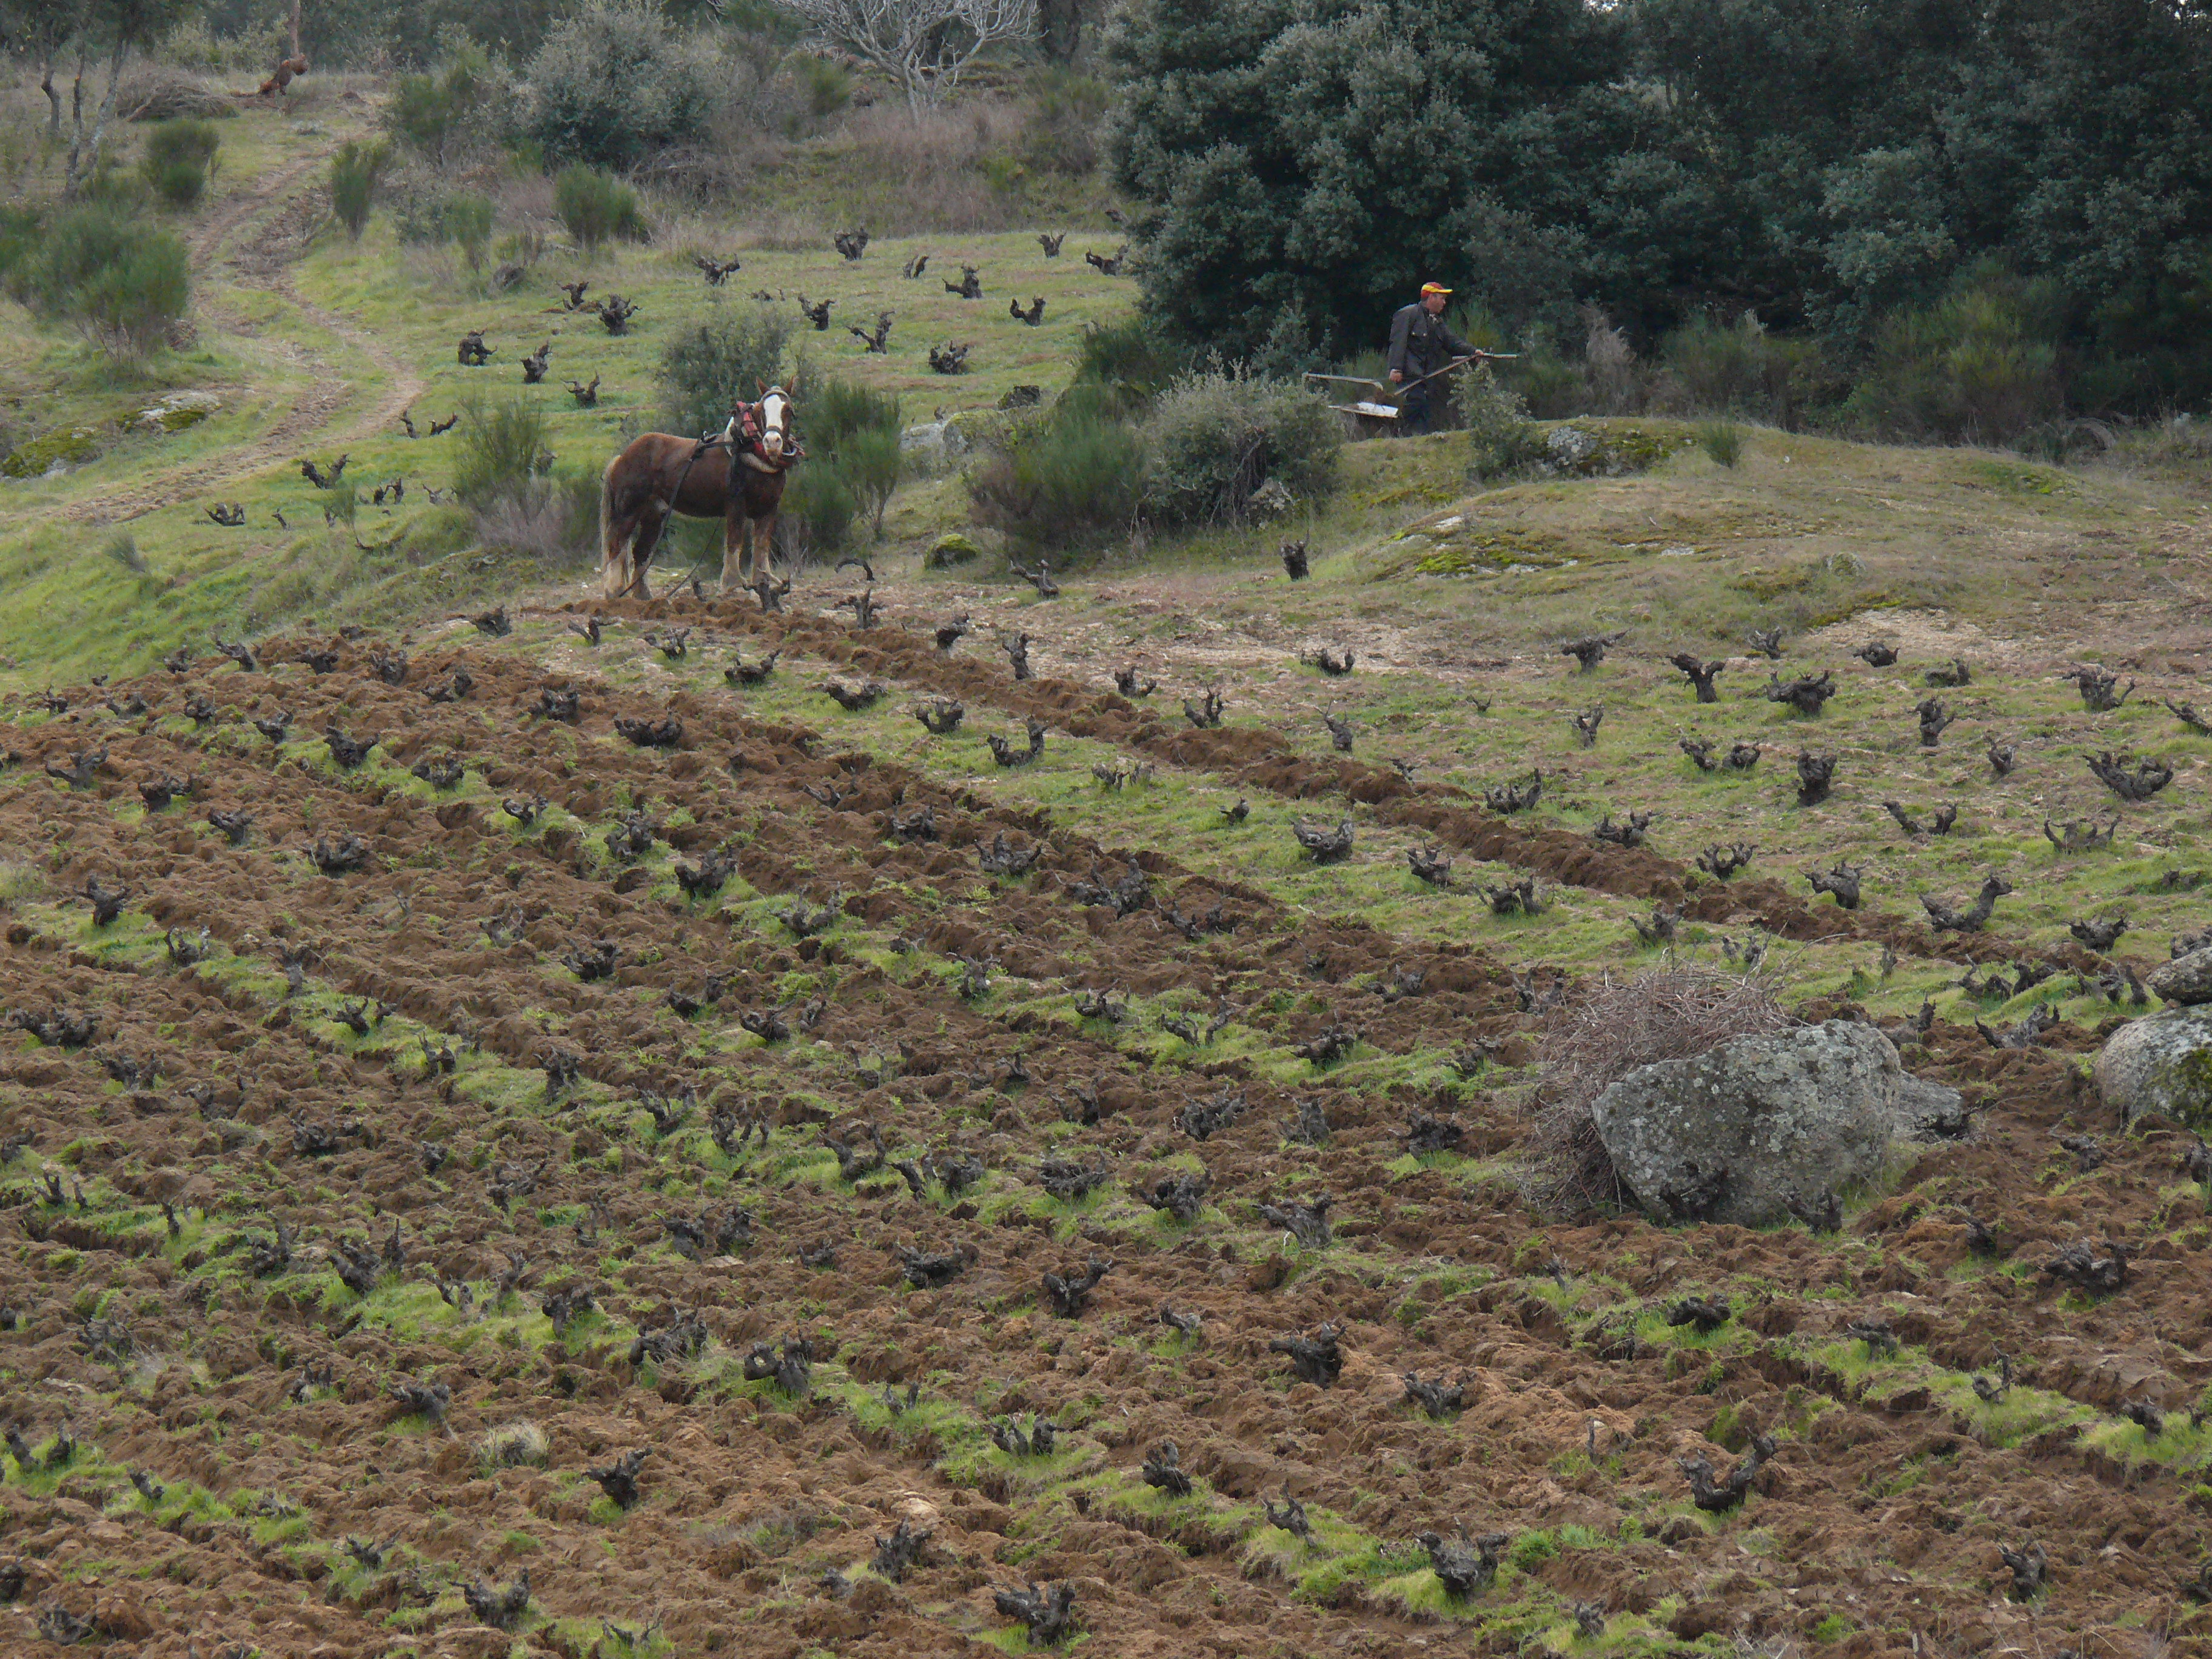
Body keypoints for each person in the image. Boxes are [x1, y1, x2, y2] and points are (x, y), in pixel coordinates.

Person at [1387, 282, 1481, 434]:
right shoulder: (1408, 314)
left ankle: (1417, 444)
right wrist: (1396, 368)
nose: (1444, 303)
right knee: (1414, 405)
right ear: (1432, 297)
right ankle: (1396, 436)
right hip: (1409, 375)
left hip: (1426, 378)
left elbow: (1452, 343)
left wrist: (1473, 351)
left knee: (1424, 412)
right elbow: (1398, 342)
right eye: (1442, 299)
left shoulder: (1437, 322)